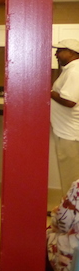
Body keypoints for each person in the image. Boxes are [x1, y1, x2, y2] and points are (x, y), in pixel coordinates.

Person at [51, 39, 79, 191]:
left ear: (73, 52)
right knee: (69, 177)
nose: (56, 54)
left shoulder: (75, 71)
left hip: (69, 134)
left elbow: (69, 101)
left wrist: (50, 93)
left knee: (71, 178)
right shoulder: (70, 69)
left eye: (60, 50)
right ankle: (67, 211)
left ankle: (71, 214)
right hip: (66, 131)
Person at [47, 178, 79, 271]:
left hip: (73, 260)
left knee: (48, 234)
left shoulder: (77, 186)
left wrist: (55, 216)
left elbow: (63, 224)